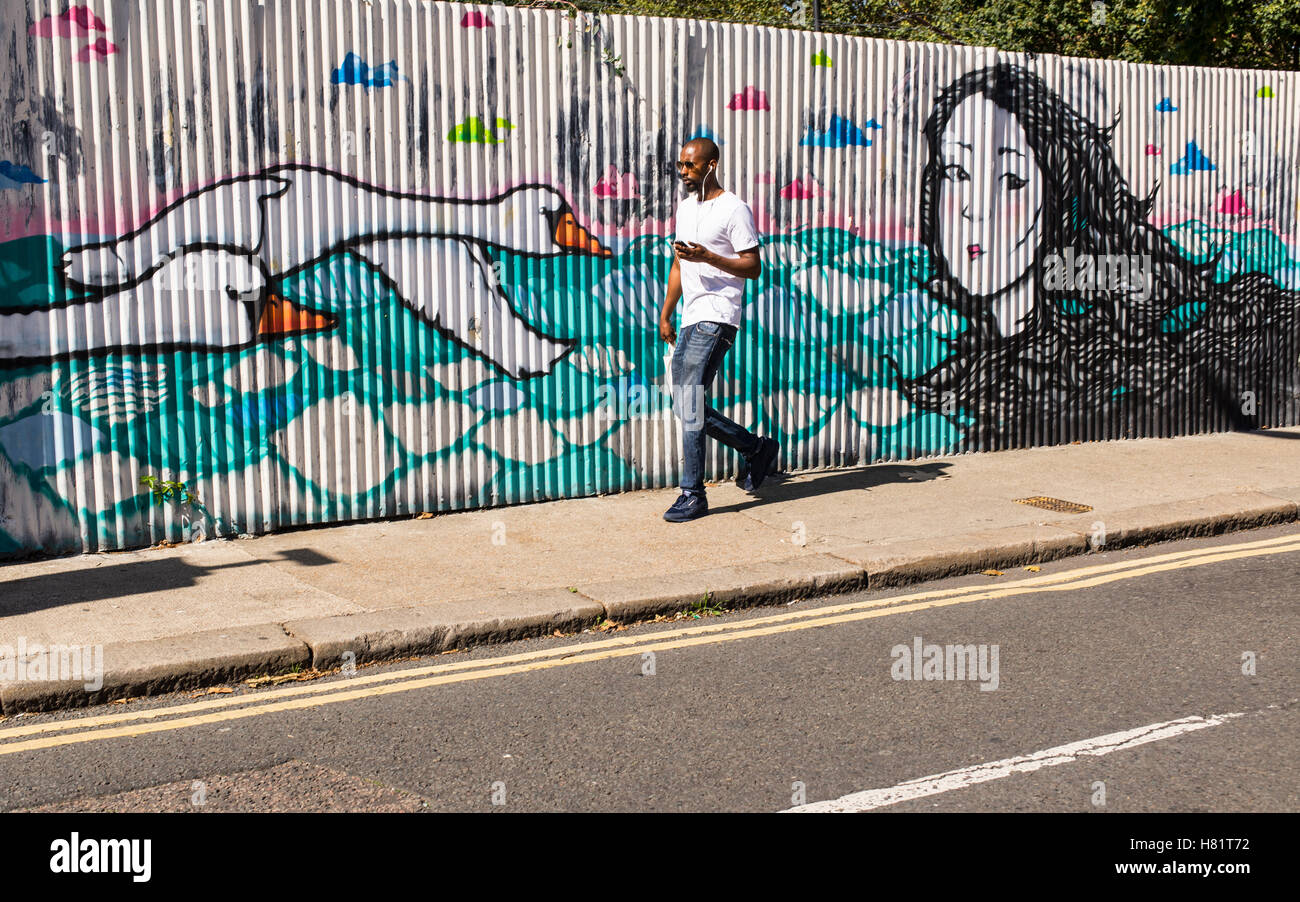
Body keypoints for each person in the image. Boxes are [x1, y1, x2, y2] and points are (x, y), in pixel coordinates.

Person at [897, 63, 1300, 451]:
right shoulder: (980, 360)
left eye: (1013, 180)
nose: (976, 209)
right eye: (956, 172)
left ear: (1060, 199)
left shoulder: (1111, 372)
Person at [658, 137, 779, 522]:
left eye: (690, 166)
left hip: (719, 316)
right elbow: (680, 264)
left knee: (690, 400)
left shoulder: (733, 209)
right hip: (692, 315)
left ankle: (692, 493)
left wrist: (709, 256)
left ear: (711, 165)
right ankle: (755, 448)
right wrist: (666, 313)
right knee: (685, 404)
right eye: (680, 165)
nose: (683, 172)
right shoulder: (685, 209)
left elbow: (753, 265)